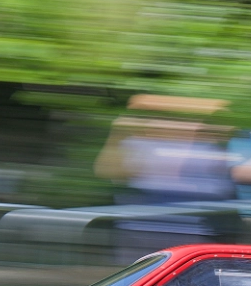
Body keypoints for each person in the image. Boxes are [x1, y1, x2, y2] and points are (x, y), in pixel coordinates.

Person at [94, 95, 236, 260]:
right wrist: (118, 132)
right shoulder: (136, 145)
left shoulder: (206, 151)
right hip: (138, 233)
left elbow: (219, 190)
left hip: (189, 238)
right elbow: (106, 171)